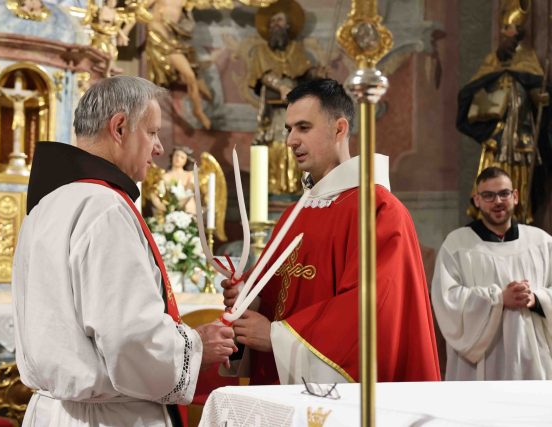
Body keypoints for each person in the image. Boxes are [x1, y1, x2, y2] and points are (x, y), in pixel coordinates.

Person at [12, 76, 236, 426]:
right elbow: (130, 338)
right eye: (152, 132)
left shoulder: (46, 205)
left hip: (53, 413)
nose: (159, 148)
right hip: (109, 418)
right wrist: (196, 346)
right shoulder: (104, 208)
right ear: (119, 128)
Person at [222, 78, 441, 385]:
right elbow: (275, 296)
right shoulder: (295, 213)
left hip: (338, 401)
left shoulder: (379, 210)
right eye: (288, 129)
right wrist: (248, 300)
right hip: (282, 392)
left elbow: (374, 310)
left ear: (339, 129)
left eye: (303, 127)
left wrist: (276, 337)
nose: (290, 141)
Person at [431, 166, 552, 380]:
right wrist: (499, 299)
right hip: (479, 365)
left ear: (515, 196)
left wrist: (537, 299)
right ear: (477, 200)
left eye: (504, 193)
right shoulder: (457, 245)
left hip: (532, 360)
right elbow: (447, 300)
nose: (497, 201)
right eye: (488, 195)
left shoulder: (542, 242)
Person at [456, 0, 550, 224]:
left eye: (514, 28)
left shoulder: (528, 58)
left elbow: (536, 90)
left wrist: (541, 98)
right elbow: (472, 90)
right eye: (506, 28)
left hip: (522, 134)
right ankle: (488, 215)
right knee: (494, 172)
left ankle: (522, 214)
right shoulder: (493, 60)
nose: (509, 33)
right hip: (497, 134)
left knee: (523, 175)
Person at [249, 0, 320, 195]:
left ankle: (294, 187)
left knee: (297, 142)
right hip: (274, 110)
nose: (275, 25)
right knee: (277, 142)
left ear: (288, 25)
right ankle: (275, 187)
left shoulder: (296, 50)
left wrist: (316, 73)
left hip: (295, 107)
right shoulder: (261, 51)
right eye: (272, 22)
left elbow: (305, 73)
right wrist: (281, 86)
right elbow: (261, 74)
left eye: (279, 21)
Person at [145, 0, 213, 129]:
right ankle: (198, 110)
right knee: (189, 76)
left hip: (173, 41)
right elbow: (137, 11)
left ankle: (198, 107)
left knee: (192, 72)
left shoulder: (183, 2)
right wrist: (124, 32)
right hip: (159, 40)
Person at [150, 145, 197, 217]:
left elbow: (189, 192)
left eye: (182, 157)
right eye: (176, 155)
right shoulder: (164, 176)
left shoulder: (190, 175)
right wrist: (163, 207)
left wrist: (177, 206)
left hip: (188, 211)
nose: (178, 158)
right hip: (169, 212)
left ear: (186, 161)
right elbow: (155, 194)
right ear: (172, 156)